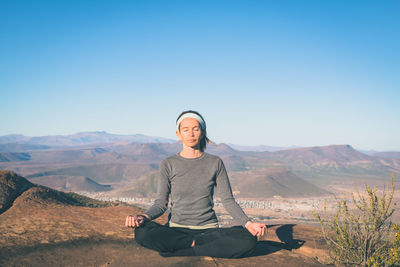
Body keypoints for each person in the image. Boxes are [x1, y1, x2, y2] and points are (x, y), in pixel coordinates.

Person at [125, 110, 266, 258]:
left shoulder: (215, 162)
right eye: (185, 130)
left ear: (202, 132)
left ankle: (182, 249)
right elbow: (161, 203)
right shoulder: (169, 164)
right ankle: (196, 244)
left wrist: (248, 224)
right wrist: (144, 217)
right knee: (141, 233)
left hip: (208, 231)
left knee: (248, 239)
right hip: (176, 229)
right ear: (178, 134)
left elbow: (228, 200)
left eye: (195, 129)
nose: (191, 134)